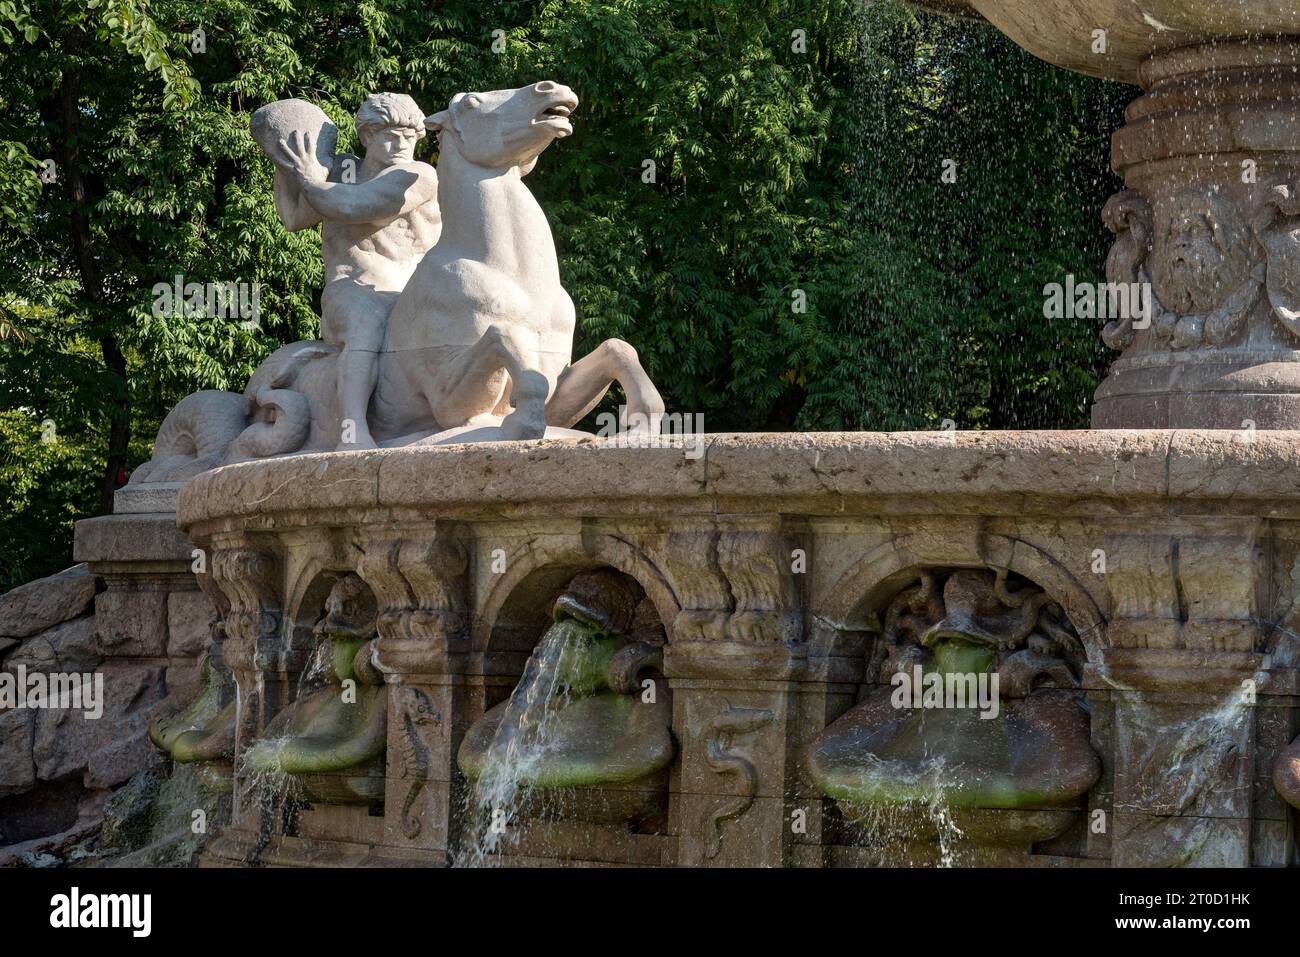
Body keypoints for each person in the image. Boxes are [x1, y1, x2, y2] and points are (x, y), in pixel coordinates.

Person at [274, 93, 441, 449]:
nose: (401, 144)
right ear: (366, 136)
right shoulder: (341, 171)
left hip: (410, 292)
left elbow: (359, 207)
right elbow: (294, 218)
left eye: (409, 136)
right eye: (390, 135)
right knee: (366, 325)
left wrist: (308, 179)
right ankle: (353, 431)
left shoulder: (418, 175)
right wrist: (285, 161)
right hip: (351, 288)